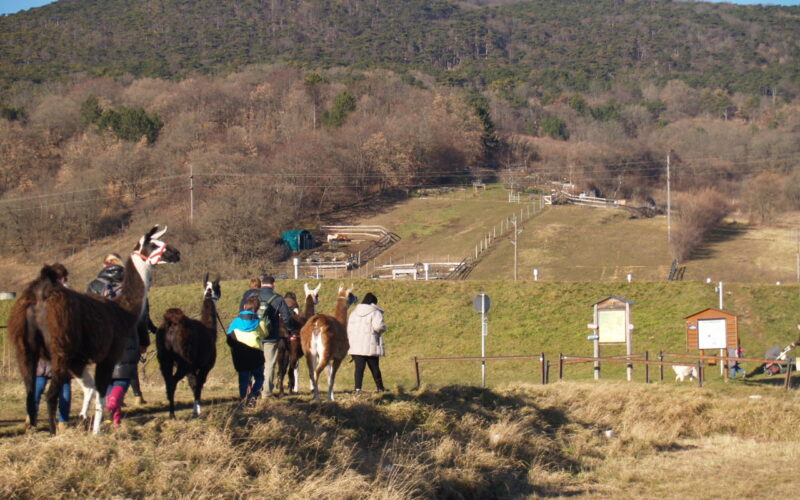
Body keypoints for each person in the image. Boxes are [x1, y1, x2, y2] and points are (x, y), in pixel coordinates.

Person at [87, 253, 154, 406]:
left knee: (106, 368)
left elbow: (88, 313)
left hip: (103, 334)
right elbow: (141, 314)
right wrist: (144, 339)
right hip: (129, 332)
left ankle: (111, 401)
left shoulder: (94, 285)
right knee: (127, 366)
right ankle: (127, 397)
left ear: (105, 265)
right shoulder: (132, 285)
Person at [30, 263, 72, 430]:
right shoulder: (69, 298)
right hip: (60, 349)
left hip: (44, 350)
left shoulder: (37, 296)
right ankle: (63, 421)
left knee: (39, 387)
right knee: (61, 387)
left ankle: (32, 418)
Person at [256, 274, 293, 396]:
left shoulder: (253, 295)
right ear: (273, 285)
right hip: (270, 336)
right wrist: (289, 331)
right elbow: (286, 317)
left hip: (253, 335)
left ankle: (253, 390)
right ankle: (266, 393)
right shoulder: (277, 298)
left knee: (255, 363)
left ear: (261, 284)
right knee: (269, 364)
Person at [227, 296, 267, 402]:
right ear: (257, 309)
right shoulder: (260, 323)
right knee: (259, 377)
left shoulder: (235, 322)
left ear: (244, 307)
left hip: (241, 355)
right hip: (256, 354)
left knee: (243, 378)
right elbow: (265, 334)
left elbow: (229, 336)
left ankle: (243, 399)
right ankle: (253, 395)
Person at [347, 292, 387, 393]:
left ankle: (357, 389)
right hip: (370, 344)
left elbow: (349, 329)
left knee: (359, 369)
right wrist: (383, 328)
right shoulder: (375, 312)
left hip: (356, 346)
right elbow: (378, 327)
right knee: (374, 368)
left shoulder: (354, 312)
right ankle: (380, 388)